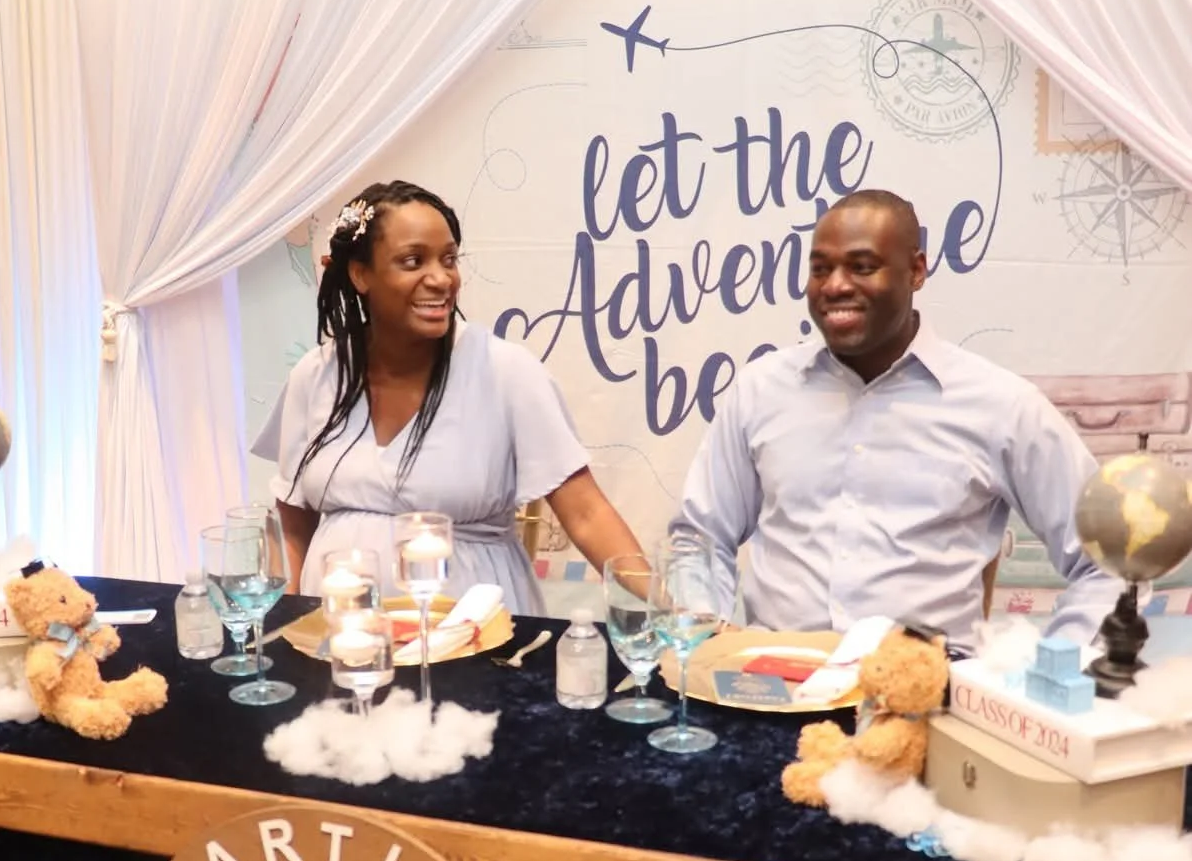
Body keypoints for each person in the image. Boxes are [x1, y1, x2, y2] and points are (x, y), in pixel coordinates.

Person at [677, 189, 1120, 649]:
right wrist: (703, 644)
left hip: (929, 685)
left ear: (916, 270)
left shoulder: (1001, 406)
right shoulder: (760, 390)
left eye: (862, 266)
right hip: (774, 677)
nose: (835, 286)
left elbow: (1111, 563)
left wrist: (1055, 670)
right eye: (820, 268)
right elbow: (699, 539)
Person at [255, 179, 641, 611]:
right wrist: (281, 621)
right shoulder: (316, 375)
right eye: (413, 261)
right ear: (360, 274)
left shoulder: (506, 372)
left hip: (471, 630)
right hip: (343, 629)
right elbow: (294, 522)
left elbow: (587, 514)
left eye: (449, 259)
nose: (441, 279)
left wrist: (670, 607)